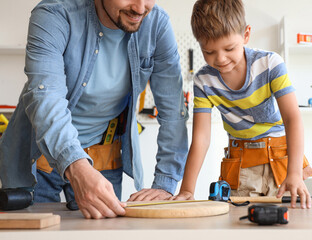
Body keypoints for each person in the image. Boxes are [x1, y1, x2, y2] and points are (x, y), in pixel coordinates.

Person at [0, 0, 188, 219]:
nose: (140, 8)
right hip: (37, 158)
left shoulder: (157, 24)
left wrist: (165, 183)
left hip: (104, 158)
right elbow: (46, 98)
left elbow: (174, 111)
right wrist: (75, 165)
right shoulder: (54, 14)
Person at [172, 0, 312, 209]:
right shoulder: (203, 81)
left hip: (283, 162)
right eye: (209, 52)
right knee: (240, 224)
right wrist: (187, 189)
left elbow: (292, 119)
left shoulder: (270, 64)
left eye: (229, 48)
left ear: (246, 35)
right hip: (242, 166)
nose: (220, 59)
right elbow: (201, 138)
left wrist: (294, 173)